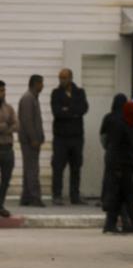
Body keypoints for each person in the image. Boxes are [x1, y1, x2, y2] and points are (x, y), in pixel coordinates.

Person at [50, 68, 89, 205]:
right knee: (58, 166)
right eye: (60, 78)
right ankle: (57, 195)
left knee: (76, 167)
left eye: (64, 78)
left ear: (71, 78)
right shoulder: (56, 93)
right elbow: (57, 112)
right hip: (61, 137)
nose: (62, 80)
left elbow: (84, 108)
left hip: (76, 137)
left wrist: (67, 109)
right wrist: (73, 112)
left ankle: (75, 195)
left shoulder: (79, 92)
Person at [102, 101, 133, 234]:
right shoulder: (121, 126)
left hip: (128, 167)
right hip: (122, 168)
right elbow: (115, 147)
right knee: (129, 198)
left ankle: (111, 225)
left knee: (119, 198)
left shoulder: (131, 125)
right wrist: (117, 168)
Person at [99, 94, 128, 231]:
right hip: (122, 157)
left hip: (110, 154)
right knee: (122, 189)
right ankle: (123, 221)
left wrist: (108, 147)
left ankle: (109, 219)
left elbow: (103, 136)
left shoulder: (108, 117)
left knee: (110, 185)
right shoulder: (126, 118)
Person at [18, 75, 45, 207]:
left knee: (29, 169)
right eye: (41, 83)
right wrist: (34, 138)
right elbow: (27, 121)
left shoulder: (33, 98)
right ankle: (34, 197)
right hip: (29, 141)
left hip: (32, 140)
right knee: (32, 169)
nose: (43, 86)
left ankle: (26, 197)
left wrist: (41, 136)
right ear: (36, 84)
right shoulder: (28, 98)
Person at [0, 80, 17, 218]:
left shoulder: (9, 108)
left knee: (6, 179)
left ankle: (0, 205)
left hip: (7, 148)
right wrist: (4, 126)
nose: (3, 93)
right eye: (0, 90)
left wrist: (5, 128)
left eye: (4, 90)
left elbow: (16, 125)